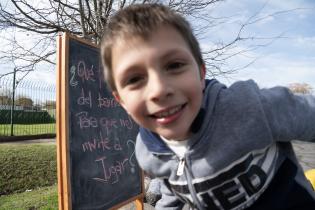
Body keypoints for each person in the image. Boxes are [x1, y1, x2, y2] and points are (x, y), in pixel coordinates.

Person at [100, 4, 315, 210]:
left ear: (201, 74)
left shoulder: (248, 107)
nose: (158, 90)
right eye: (135, 79)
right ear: (122, 102)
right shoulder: (147, 153)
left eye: (174, 65)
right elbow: (172, 186)